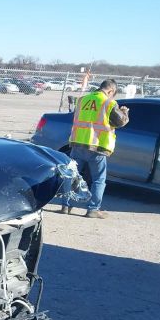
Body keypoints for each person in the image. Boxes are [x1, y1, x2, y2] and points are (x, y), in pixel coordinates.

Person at [61, 79, 129, 218]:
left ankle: (65, 206)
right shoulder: (109, 102)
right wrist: (124, 113)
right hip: (97, 146)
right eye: (113, 93)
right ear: (110, 90)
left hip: (78, 143)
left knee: (73, 176)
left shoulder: (82, 100)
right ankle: (93, 209)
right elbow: (120, 122)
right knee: (98, 179)